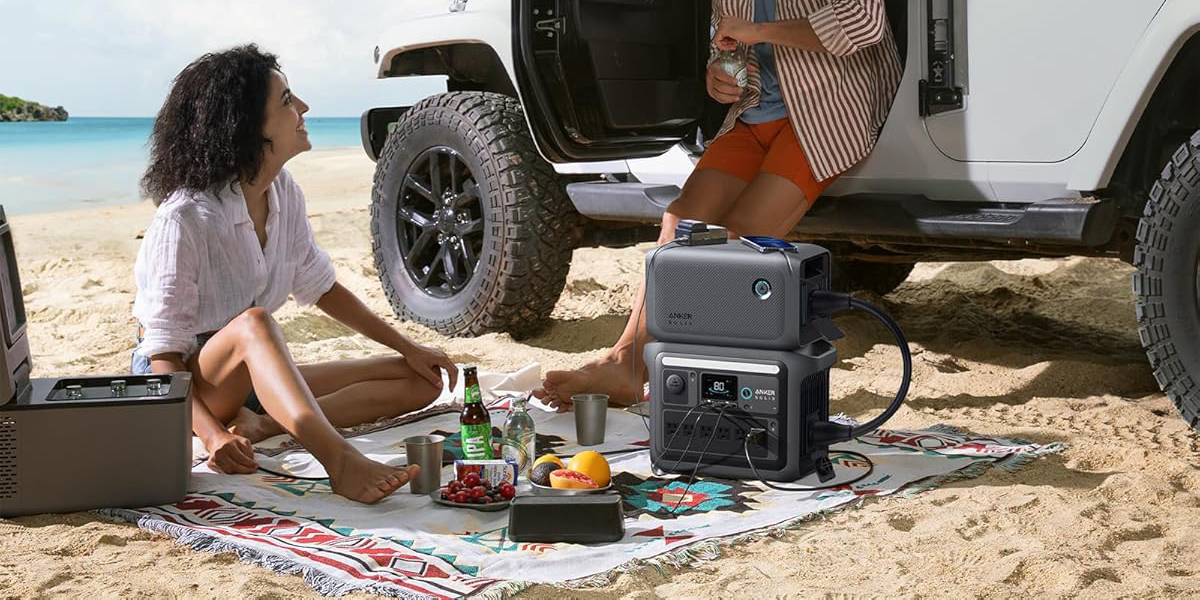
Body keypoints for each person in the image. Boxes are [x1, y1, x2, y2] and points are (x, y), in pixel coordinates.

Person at [535, 0, 902, 409]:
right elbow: (727, 44)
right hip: (754, 115)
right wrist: (718, 75)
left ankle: (716, 385)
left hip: (829, 109)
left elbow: (864, 24)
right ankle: (624, 363)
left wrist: (760, 31)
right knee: (680, 222)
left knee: (744, 233)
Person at [133, 44, 459, 504]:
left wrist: (409, 347)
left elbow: (321, 286)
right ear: (247, 125)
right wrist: (210, 437)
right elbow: (162, 360)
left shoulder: (284, 191)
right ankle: (340, 461)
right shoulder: (186, 218)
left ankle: (266, 423)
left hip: (249, 376)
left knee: (423, 380)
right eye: (287, 100)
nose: (303, 107)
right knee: (255, 322)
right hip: (184, 387)